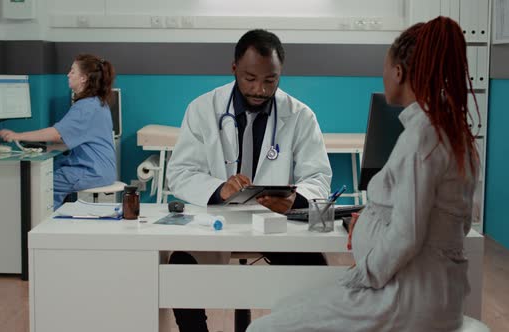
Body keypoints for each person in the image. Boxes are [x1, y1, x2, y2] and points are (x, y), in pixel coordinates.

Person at [247, 16, 480, 332]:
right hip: (432, 293)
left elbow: (407, 234)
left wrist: (361, 275)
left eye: (384, 66)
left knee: (264, 328)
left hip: (403, 299)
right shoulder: (455, 134)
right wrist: (375, 222)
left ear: (398, 73)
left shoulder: (421, 138)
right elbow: (444, 221)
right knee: (290, 307)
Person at [166, 29, 332, 332]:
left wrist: (297, 198)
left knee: (314, 269)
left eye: (270, 80)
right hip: (217, 219)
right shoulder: (203, 109)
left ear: (280, 73)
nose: (260, 89)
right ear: (234, 70)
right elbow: (180, 172)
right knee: (180, 267)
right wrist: (219, 189)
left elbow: (318, 176)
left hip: (275, 222)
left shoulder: (300, 116)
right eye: (250, 78)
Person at [0, 54, 117, 209]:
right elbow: (75, 136)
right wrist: (49, 148)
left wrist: (17, 136)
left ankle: (41, 226)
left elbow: (57, 134)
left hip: (93, 171)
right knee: (51, 170)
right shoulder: (97, 103)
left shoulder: (86, 107)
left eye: (72, 71)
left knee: (44, 185)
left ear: (83, 78)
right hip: (101, 169)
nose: (68, 75)